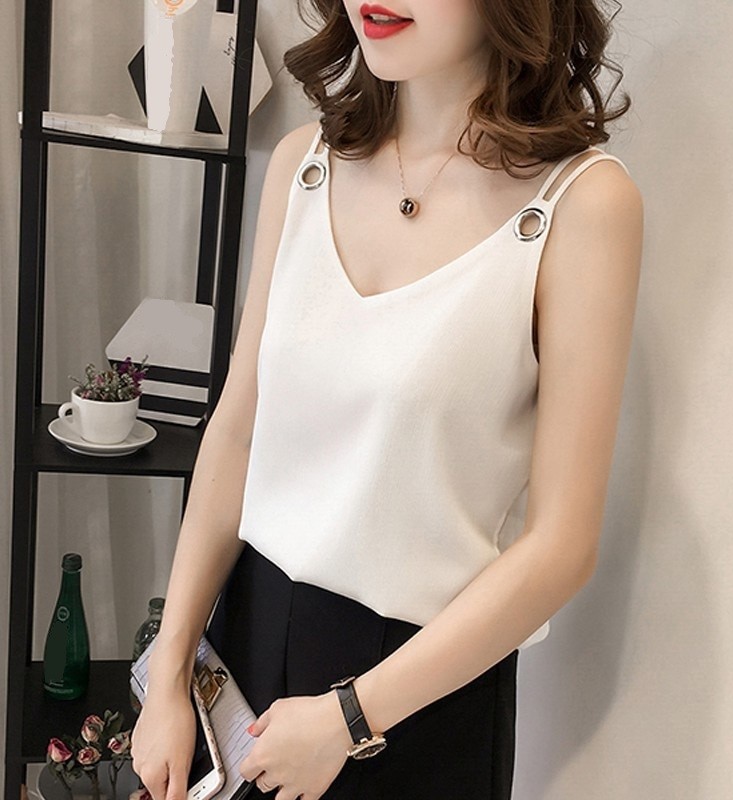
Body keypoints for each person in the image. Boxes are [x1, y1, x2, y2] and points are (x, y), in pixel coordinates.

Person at [130, 0, 644, 798]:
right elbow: (238, 431)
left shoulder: (582, 205)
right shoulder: (303, 166)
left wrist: (349, 719)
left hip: (420, 697)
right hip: (243, 651)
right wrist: (168, 670)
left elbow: (562, 545)